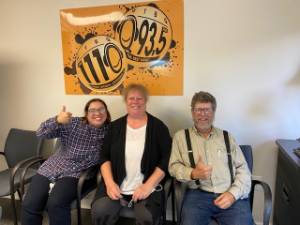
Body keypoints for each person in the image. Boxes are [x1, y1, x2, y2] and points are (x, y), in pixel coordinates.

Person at [91, 84, 172, 225]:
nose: (135, 102)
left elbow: (166, 160)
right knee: (100, 210)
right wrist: (109, 184)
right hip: (116, 186)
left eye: (139, 98)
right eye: (131, 98)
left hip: (148, 188)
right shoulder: (115, 127)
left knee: (147, 216)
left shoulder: (158, 127)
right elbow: (104, 157)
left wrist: (147, 186)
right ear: (125, 101)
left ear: (146, 101)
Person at [21, 98, 111, 225]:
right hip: (51, 167)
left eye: (101, 109)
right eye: (92, 110)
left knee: (56, 204)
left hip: (75, 173)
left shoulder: (111, 131)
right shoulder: (73, 123)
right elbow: (41, 133)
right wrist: (57, 120)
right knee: (30, 203)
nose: (97, 113)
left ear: (106, 112)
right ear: (86, 113)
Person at [168, 91, 253, 225]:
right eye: (198, 110)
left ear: (214, 112)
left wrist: (233, 194)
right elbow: (173, 167)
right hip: (198, 195)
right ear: (192, 112)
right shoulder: (180, 137)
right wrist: (193, 173)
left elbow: (243, 170)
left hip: (229, 192)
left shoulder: (227, 137)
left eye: (207, 110)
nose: (203, 114)